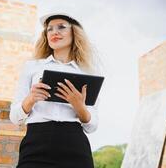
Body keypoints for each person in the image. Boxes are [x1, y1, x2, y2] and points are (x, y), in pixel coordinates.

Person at [10, 12, 100, 168]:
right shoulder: (32, 67)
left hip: (75, 145)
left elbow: (92, 126)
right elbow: (15, 118)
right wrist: (31, 99)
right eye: (49, 29)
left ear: (74, 32)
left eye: (61, 27)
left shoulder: (87, 73)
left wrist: (79, 106)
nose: (54, 32)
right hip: (36, 143)